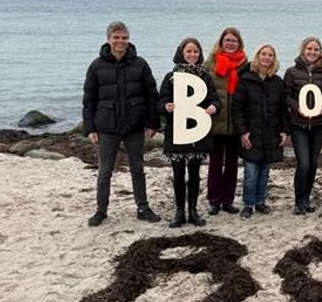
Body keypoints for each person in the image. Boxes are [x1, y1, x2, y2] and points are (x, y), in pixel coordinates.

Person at [82, 21, 161, 226]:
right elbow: (89, 99)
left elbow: (152, 95)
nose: (120, 41)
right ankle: (101, 210)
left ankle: (143, 208)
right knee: (105, 171)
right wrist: (89, 127)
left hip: (134, 126)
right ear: (108, 39)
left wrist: (153, 123)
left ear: (128, 39)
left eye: (124, 37)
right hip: (107, 127)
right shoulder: (96, 66)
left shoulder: (140, 64)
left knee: (138, 169)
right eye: (116, 37)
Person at [157, 37, 219, 228]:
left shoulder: (205, 77)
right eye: (188, 51)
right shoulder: (171, 77)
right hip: (177, 132)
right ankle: (179, 211)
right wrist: (166, 107)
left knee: (194, 173)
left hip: (197, 132)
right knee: (177, 174)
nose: (192, 55)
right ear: (181, 53)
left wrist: (214, 107)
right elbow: (160, 102)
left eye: (196, 52)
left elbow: (215, 100)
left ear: (200, 55)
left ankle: (193, 211)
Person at [232, 43, 289, 218]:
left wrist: (284, 131)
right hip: (251, 134)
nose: (266, 57)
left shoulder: (277, 82)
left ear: (274, 59)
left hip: (271, 134)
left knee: (264, 172)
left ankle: (260, 202)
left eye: (270, 55)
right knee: (250, 173)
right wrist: (242, 132)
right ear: (257, 57)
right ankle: (248, 204)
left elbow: (283, 110)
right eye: (263, 54)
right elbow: (237, 108)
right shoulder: (245, 80)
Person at [283, 37, 322, 215]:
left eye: (316, 49)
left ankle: (306, 198)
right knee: (303, 164)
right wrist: (298, 108)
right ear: (303, 50)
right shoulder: (291, 72)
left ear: (320, 52)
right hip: (299, 125)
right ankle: (298, 200)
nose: (312, 52)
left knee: (313, 164)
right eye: (309, 49)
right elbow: (286, 96)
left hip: (319, 125)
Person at [205, 27, 249, 216]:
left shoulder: (245, 64)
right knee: (214, 164)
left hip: (236, 123)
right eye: (227, 40)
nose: (230, 43)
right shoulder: (210, 63)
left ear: (239, 43)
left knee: (232, 164)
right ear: (221, 42)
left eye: (234, 40)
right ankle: (214, 200)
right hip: (215, 122)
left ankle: (227, 200)